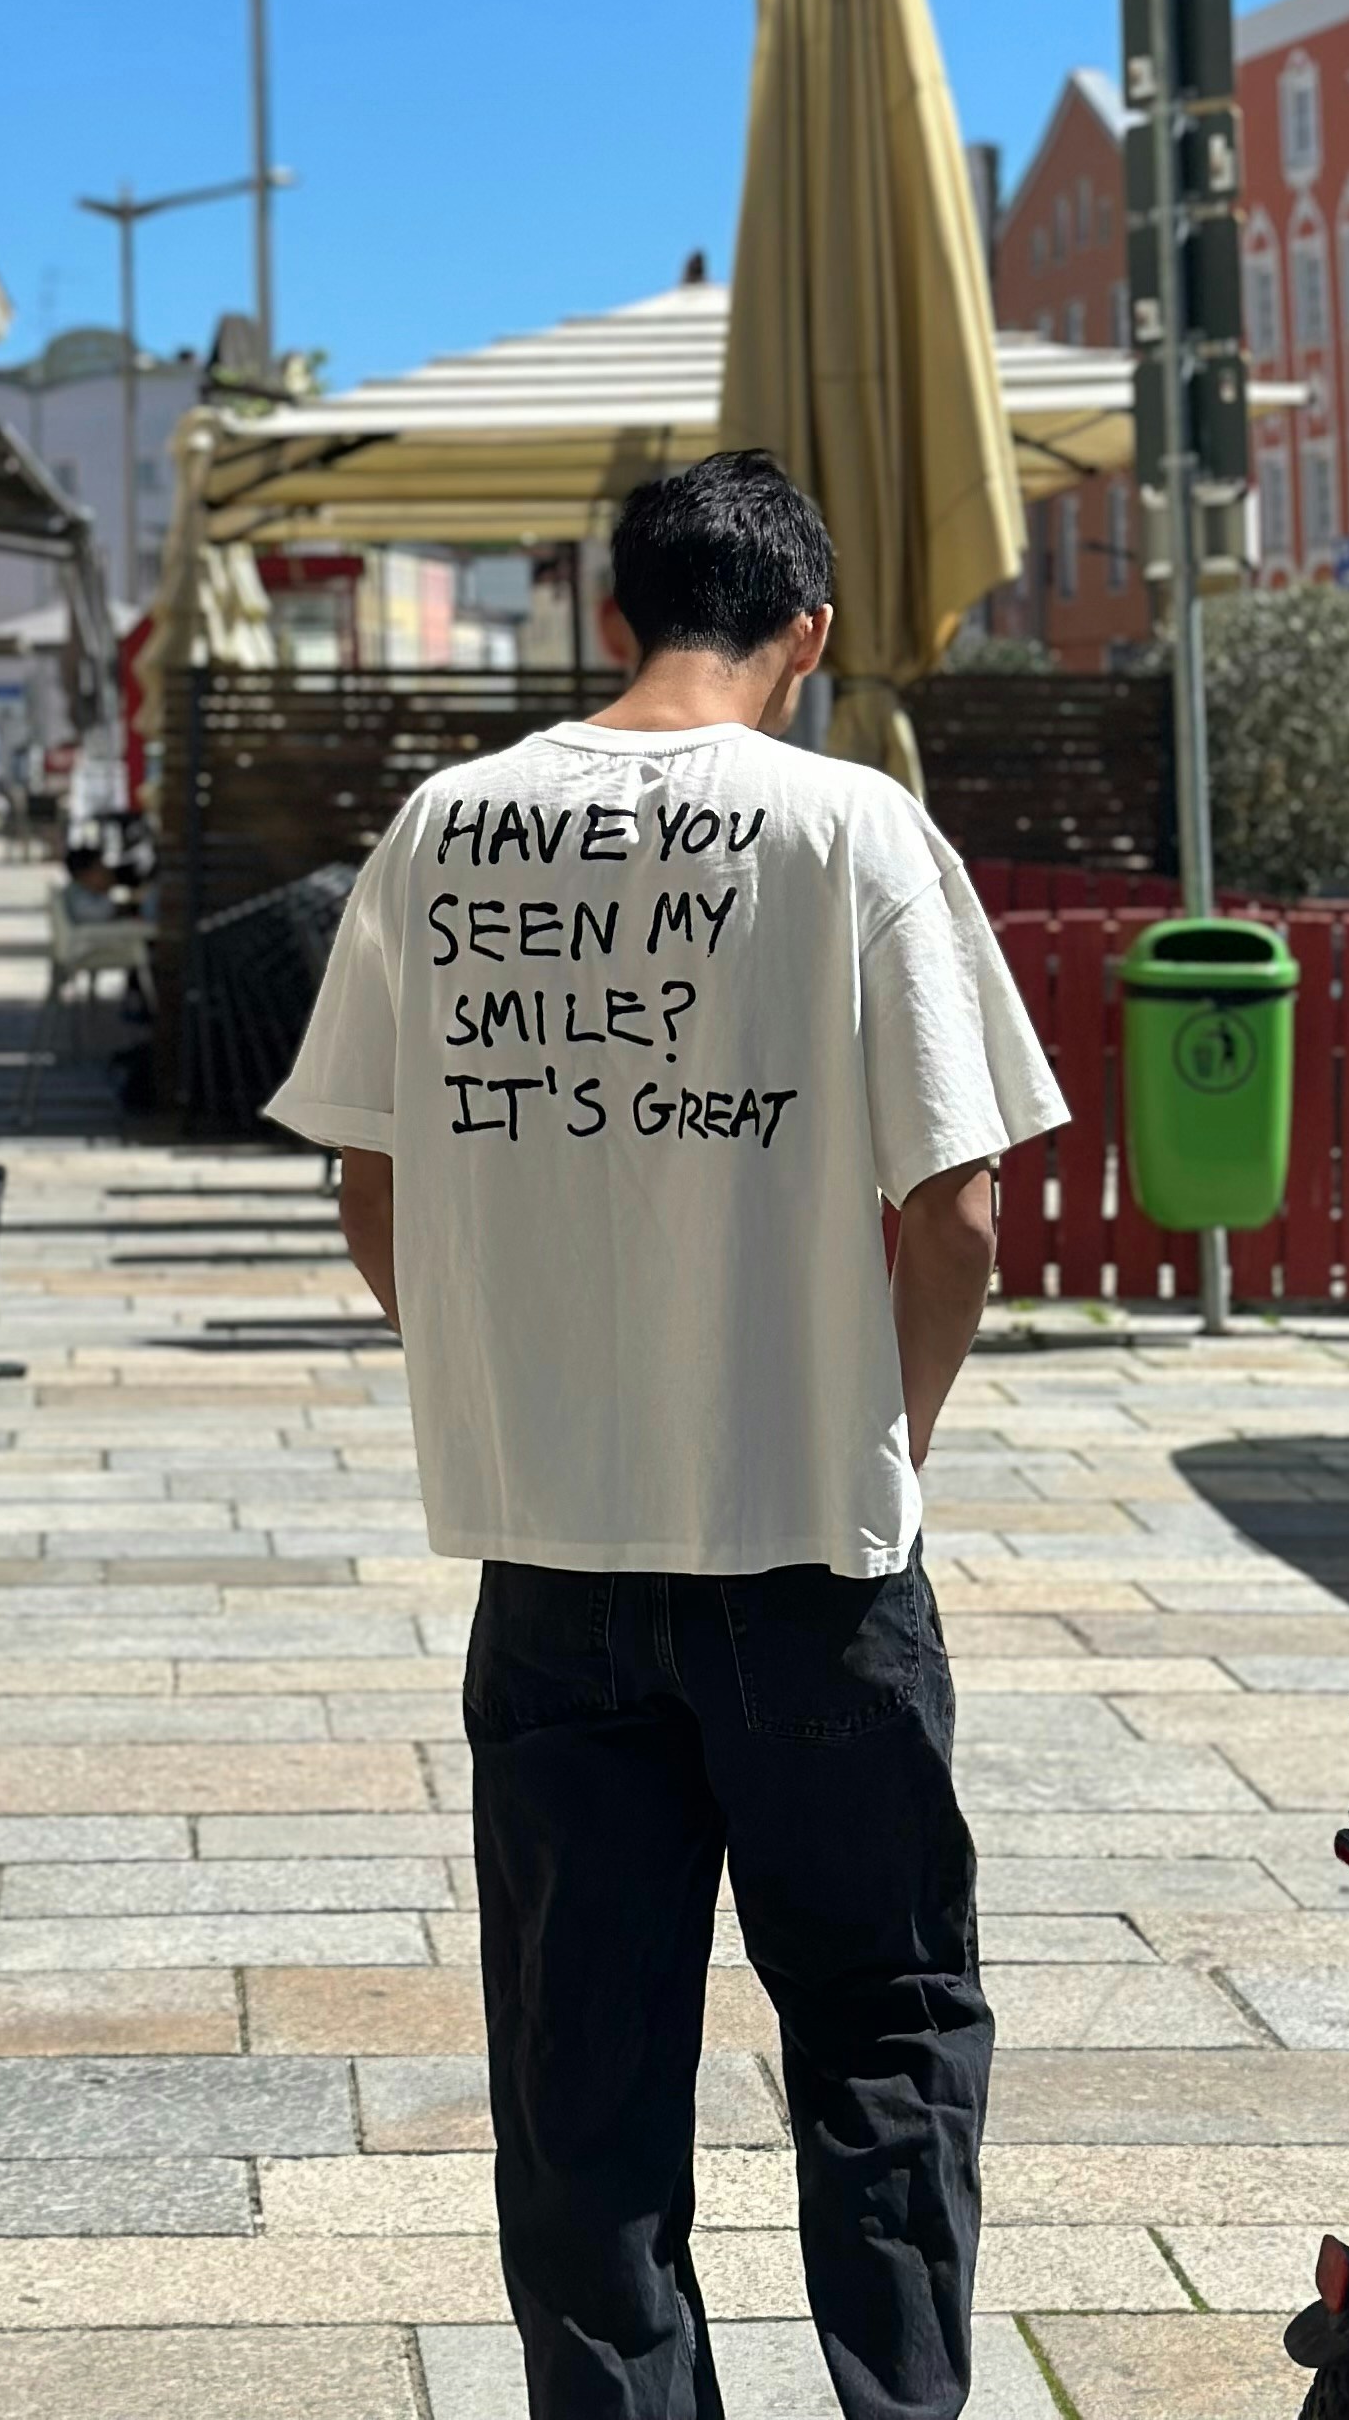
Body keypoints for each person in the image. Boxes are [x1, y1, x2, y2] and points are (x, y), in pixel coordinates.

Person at [267, 450, 1066, 2420]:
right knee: (882, 2035)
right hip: (810, 1559)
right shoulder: (853, 830)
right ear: (808, 634)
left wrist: (508, 1368)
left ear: (612, 616)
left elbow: (370, 1185)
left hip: (551, 1563)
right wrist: (894, 1437)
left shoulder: (446, 831)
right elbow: (960, 1203)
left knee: (583, 2087)